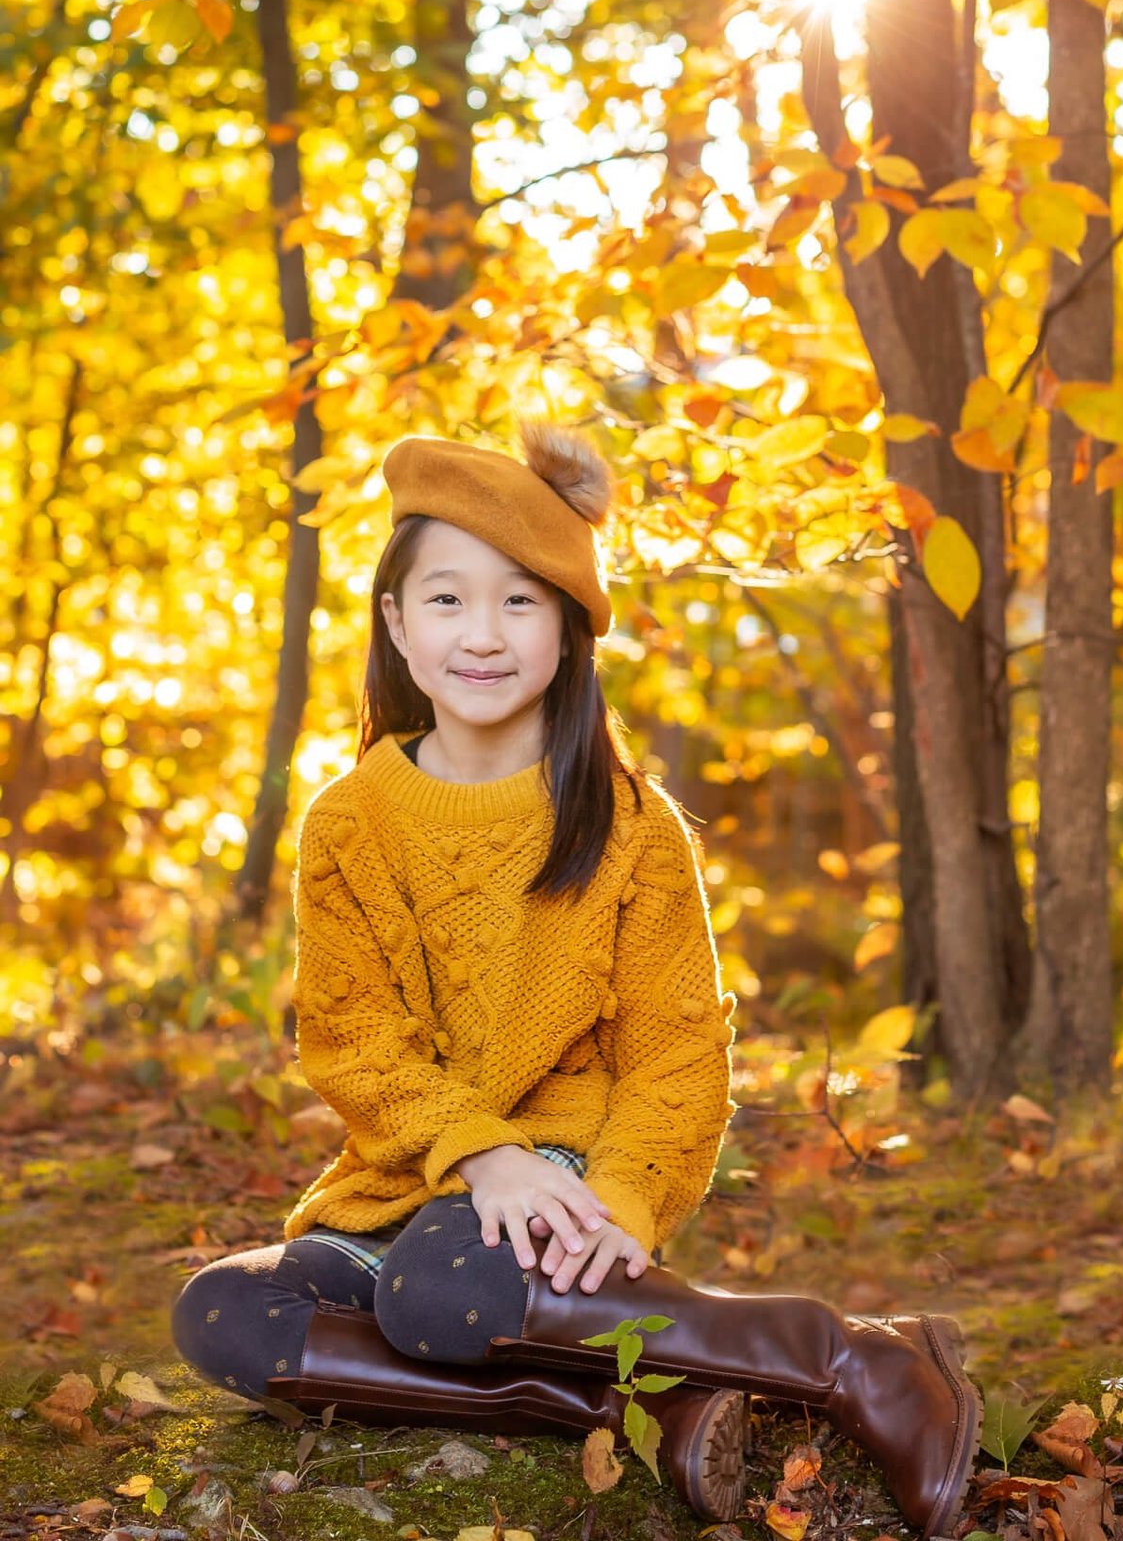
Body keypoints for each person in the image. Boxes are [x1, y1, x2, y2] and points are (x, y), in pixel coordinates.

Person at [171, 418, 980, 1533]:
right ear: (397, 624)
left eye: (519, 600)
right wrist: (476, 1152)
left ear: (568, 628)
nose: (483, 633)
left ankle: (852, 1357)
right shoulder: (348, 821)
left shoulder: (632, 826)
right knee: (225, 1311)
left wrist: (624, 1191)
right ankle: (665, 1401)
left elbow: (678, 1050)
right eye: (446, 600)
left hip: (563, 1174)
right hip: (413, 1178)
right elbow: (355, 1041)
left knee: (445, 1286)